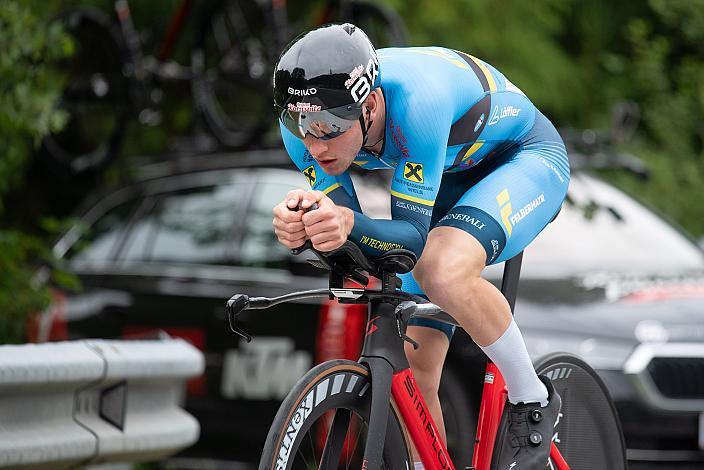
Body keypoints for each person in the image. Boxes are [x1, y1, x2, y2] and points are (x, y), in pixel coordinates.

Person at [271, 23, 569, 468]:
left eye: (331, 126)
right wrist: (307, 229)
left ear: (369, 104)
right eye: (302, 125)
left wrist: (346, 221)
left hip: (520, 157)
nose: (315, 143)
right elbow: (352, 243)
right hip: (444, 170)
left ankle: (532, 399)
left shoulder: (417, 103)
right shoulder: (304, 129)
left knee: (440, 269)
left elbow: (408, 240)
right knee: (416, 371)